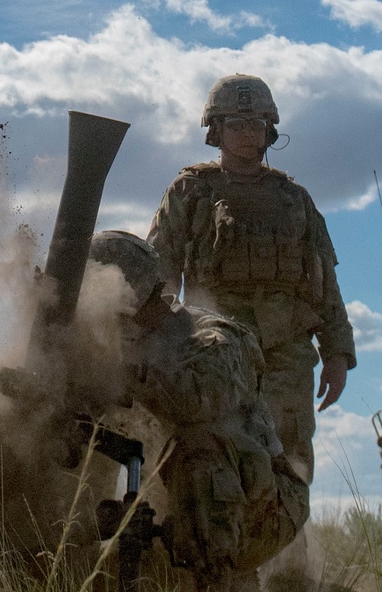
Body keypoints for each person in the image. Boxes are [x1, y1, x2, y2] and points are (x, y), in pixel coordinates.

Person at [147, 75, 356, 489]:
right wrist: (157, 343)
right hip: (213, 348)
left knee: (289, 463)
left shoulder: (294, 199)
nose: (248, 134)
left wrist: (337, 353)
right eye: (237, 125)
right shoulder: (190, 190)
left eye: (257, 124)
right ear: (216, 131)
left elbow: (324, 283)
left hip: (285, 354)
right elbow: (160, 273)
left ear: (270, 130)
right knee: (213, 457)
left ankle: (289, 554)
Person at [88, 230, 309, 592]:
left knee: (195, 446)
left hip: (265, 510)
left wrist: (126, 373)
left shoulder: (214, 336)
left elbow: (198, 400)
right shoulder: (127, 346)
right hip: (180, 510)